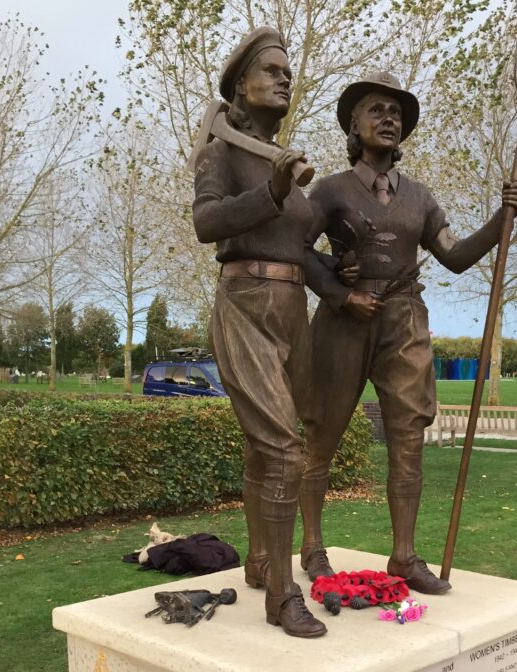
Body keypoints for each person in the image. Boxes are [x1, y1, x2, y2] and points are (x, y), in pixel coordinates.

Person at [301, 71, 517, 594]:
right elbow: (297, 248)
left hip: (403, 319)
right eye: (376, 110)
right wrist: (339, 290)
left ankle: (403, 555)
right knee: (322, 437)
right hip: (343, 323)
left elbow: (454, 255)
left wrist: (502, 217)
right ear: (353, 126)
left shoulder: (421, 198)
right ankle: (313, 547)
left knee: (408, 438)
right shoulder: (331, 190)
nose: (389, 119)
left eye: (396, 114)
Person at [192, 27, 326, 638]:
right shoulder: (222, 151)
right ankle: (281, 594)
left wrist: (340, 268)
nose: (283, 78)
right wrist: (271, 191)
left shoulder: (284, 156)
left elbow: (303, 248)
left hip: (294, 309)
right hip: (245, 303)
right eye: (270, 70)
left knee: (262, 447)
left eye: (287, 72)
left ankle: (260, 558)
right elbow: (207, 222)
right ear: (240, 84)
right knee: (284, 450)